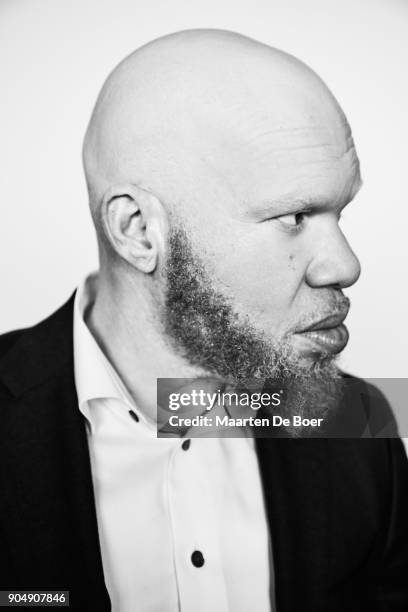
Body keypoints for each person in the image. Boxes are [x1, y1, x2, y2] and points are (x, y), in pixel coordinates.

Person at [0, 29, 407, 612]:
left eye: (338, 213)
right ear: (139, 232)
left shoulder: (361, 428)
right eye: (294, 215)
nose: (345, 265)